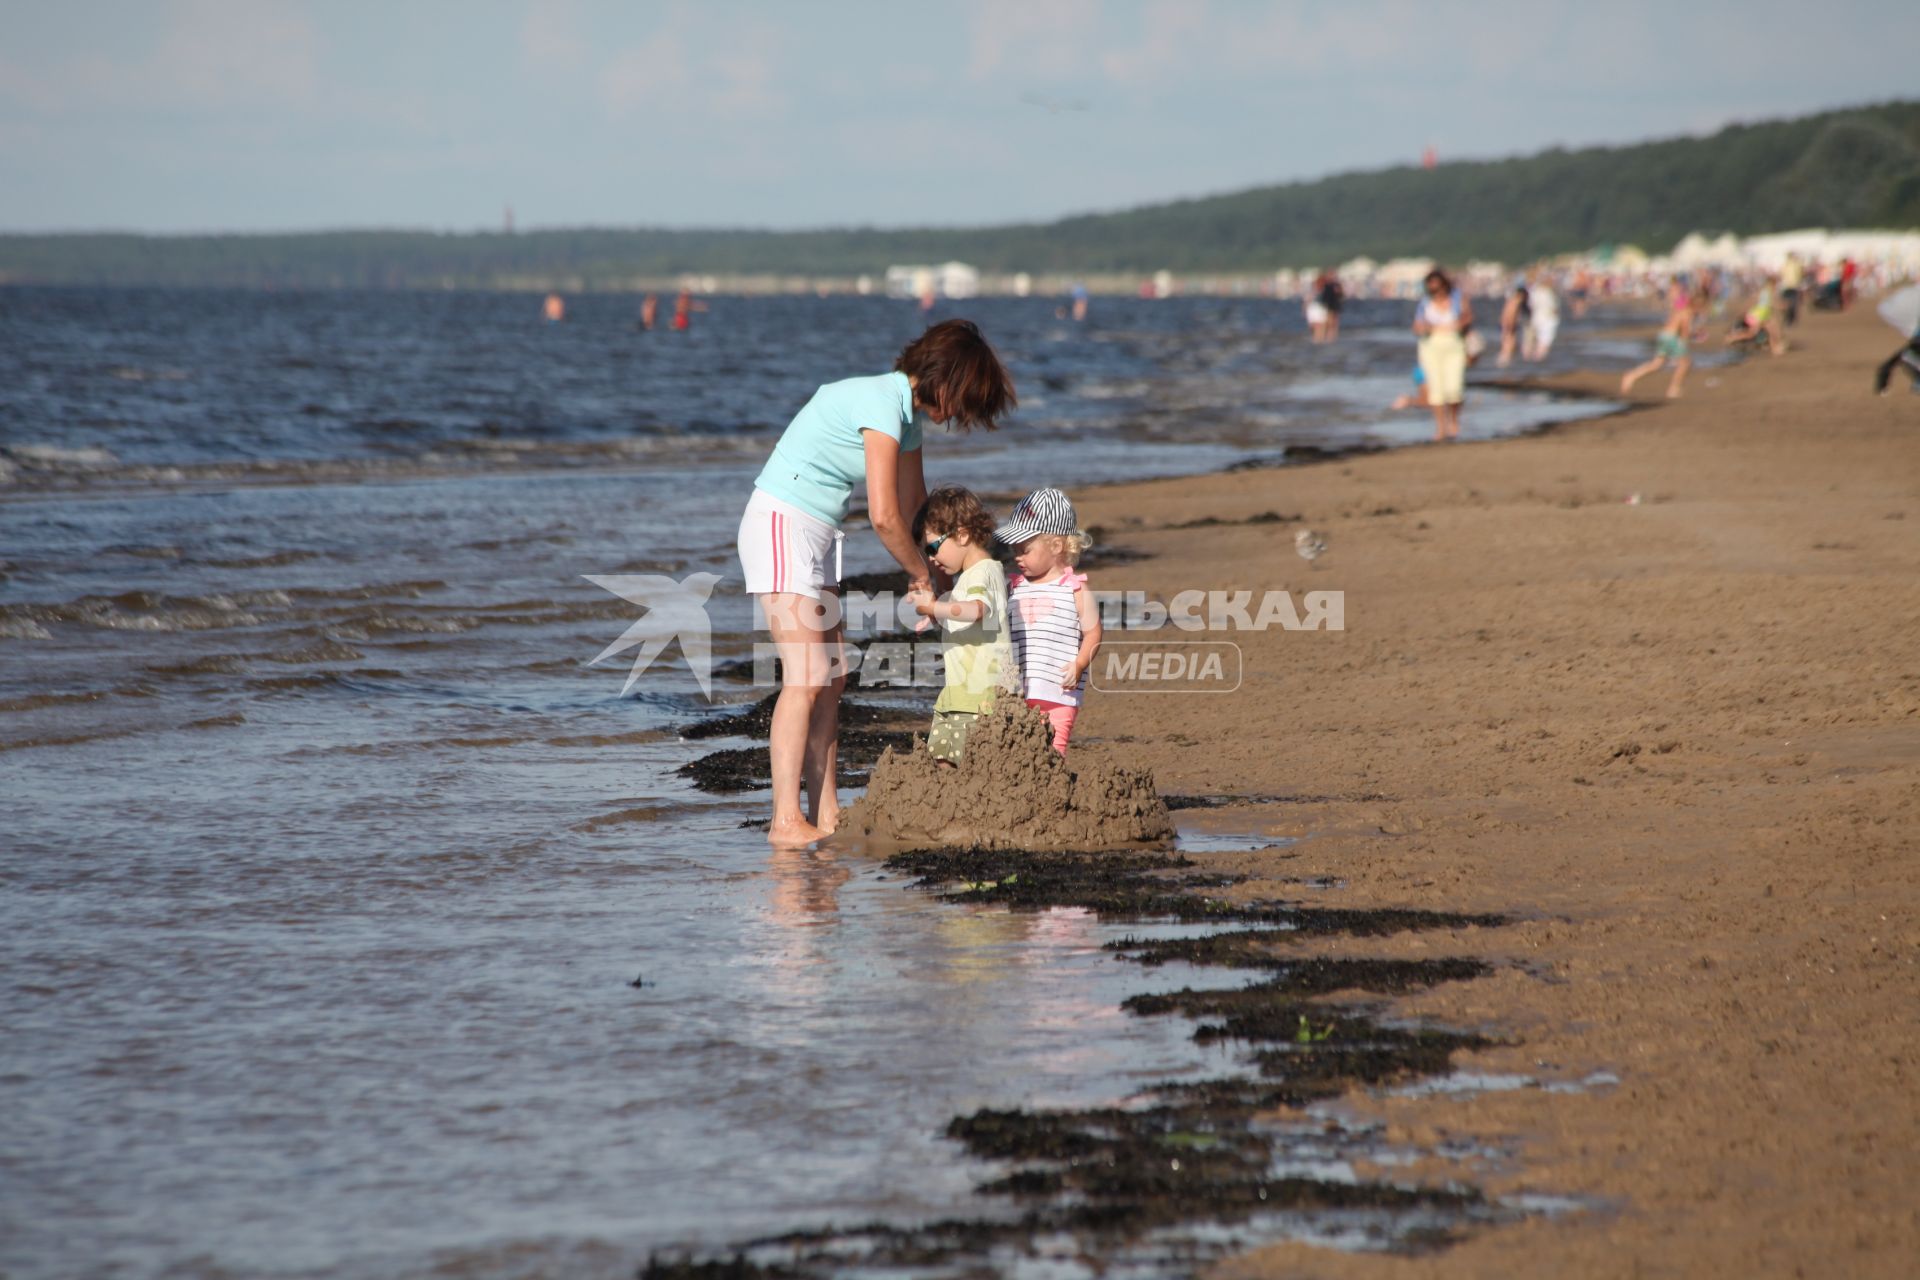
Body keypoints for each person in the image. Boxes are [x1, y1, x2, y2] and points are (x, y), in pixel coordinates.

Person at [736, 319, 1016, 846]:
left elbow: (915, 511)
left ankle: (826, 811)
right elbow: (885, 516)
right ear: (942, 377)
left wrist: (940, 576)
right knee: (806, 674)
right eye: (961, 400)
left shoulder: (906, 420)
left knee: (833, 675)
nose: (955, 415)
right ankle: (784, 820)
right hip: (781, 523)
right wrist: (916, 572)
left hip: (817, 535)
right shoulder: (882, 404)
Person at [907, 488, 1013, 765]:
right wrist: (938, 616)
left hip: (982, 695)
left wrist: (933, 607)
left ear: (962, 534)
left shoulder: (984, 572)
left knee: (964, 763)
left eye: (932, 547)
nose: (930, 558)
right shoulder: (971, 576)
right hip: (961, 692)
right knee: (942, 760)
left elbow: (976, 610)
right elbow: (965, 616)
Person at [997, 487, 1102, 755]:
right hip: (1020, 690)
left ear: (1056, 546)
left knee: (1054, 752)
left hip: (1059, 692)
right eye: (1014, 549)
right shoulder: (1015, 587)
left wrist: (1079, 664)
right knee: (1018, 752)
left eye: (1025, 549)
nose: (1017, 556)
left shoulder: (1075, 589)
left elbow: (1093, 634)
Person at [1413, 268, 1473, 442]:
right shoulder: (1425, 303)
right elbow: (1416, 326)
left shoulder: (1457, 299)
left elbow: (1468, 318)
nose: (1434, 290)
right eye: (1431, 287)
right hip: (1430, 347)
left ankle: (1453, 420)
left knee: (1454, 389)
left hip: (1454, 345)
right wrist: (1426, 327)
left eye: (1437, 286)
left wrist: (1457, 325)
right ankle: (1440, 427)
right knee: (1436, 391)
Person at [1620, 284, 1700, 399]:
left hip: (1663, 336)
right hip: (1671, 338)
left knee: (1656, 364)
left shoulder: (1680, 309)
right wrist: (1685, 342)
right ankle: (1673, 388)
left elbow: (1674, 324)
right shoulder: (1687, 312)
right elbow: (1685, 331)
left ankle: (1631, 376)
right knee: (1684, 363)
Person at [1524, 271, 1561, 361]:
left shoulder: (1534, 291)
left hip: (1535, 318)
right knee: (1544, 341)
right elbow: (1554, 308)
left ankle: (1527, 360)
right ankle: (1538, 360)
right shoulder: (1548, 293)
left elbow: (1530, 306)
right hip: (1548, 319)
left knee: (1530, 341)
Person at [1497, 278, 1530, 367]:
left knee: (1508, 346)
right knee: (1508, 346)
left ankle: (1504, 365)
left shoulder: (1512, 300)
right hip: (1509, 325)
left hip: (1508, 325)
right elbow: (1509, 315)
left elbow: (1505, 314)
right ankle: (1503, 365)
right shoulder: (1516, 301)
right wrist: (1509, 327)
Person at [1316, 271, 1344, 343]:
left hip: (1335, 305)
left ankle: (1332, 337)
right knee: (1329, 322)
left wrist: (1339, 293)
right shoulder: (1327, 285)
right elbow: (1324, 297)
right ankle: (1328, 337)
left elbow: (1341, 295)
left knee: (1334, 322)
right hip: (1329, 305)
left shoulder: (1336, 285)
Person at [1779, 253, 1805, 326]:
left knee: (1787, 303)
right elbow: (1801, 274)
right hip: (1793, 286)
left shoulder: (1785, 264)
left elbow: (1781, 275)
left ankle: (1788, 318)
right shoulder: (1796, 264)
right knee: (1793, 303)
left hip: (1787, 286)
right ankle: (1790, 318)